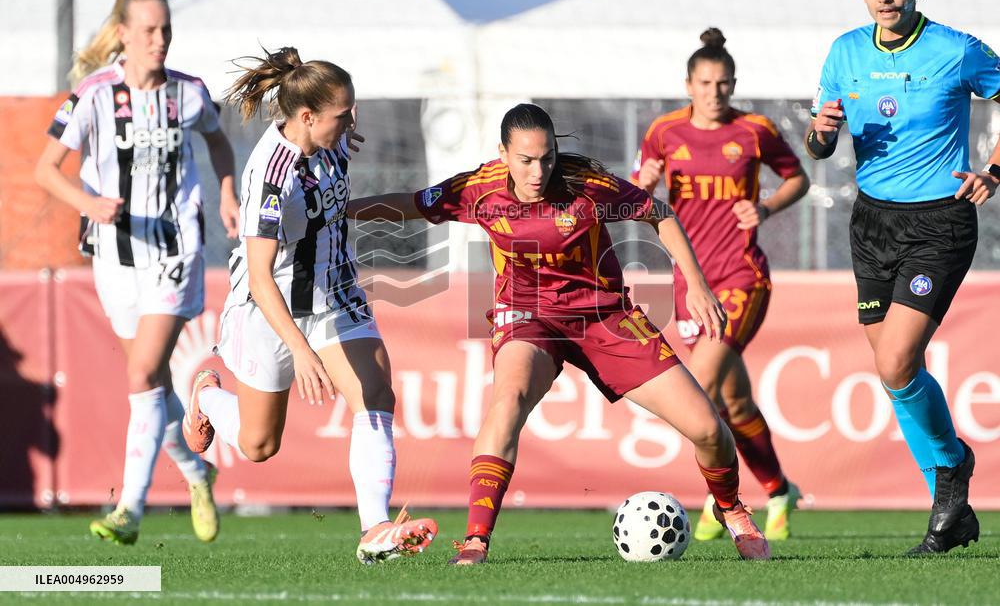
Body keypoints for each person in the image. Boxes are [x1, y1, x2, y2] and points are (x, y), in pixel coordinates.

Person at [348, 102, 772, 564]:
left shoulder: (587, 187)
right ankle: (475, 541)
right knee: (507, 400)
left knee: (709, 431)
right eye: (526, 160)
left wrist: (696, 286)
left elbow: (660, 213)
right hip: (527, 316)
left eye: (547, 157)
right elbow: (412, 204)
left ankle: (732, 508)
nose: (539, 170)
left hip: (604, 315)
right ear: (503, 154)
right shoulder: (479, 188)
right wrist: (340, 213)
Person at [181, 46, 437, 564]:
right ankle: (205, 394)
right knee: (258, 445)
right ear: (306, 117)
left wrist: (343, 134)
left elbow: (333, 193)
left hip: (335, 290)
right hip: (270, 307)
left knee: (375, 390)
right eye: (343, 116)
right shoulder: (272, 179)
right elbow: (259, 275)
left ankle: (374, 530)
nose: (351, 122)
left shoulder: (329, 139)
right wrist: (300, 350)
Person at [806, 0, 1000, 554]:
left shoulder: (958, 50)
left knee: (892, 363)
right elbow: (819, 147)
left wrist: (993, 172)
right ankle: (952, 507)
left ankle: (949, 475)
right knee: (897, 372)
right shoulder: (845, 52)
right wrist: (819, 133)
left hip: (940, 222)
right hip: (872, 224)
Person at [35, 0, 237, 545]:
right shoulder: (95, 93)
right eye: (148, 30)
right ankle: (199, 472)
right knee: (151, 385)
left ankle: (129, 508)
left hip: (176, 250)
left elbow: (219, 143)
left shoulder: (188, 93)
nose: (160, 40)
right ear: (123, 34)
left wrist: (226, 194)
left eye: (165, 29)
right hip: (115, 256)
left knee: (141, 376)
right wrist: (88, 204)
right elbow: (46, 168)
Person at [631, 29, 810, 542]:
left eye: (724, 83)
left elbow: (798, 177)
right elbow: (641, 188)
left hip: (740, 276)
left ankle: (720, 499)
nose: (715, 92)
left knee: (702, 384)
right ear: (688, 84)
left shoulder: (754, 130)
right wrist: (642, 187)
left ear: (733, 85)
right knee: (733, 404)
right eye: (706, 82)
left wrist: (768, 206)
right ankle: (778, 489)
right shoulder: (664, 131)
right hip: (690, 282)